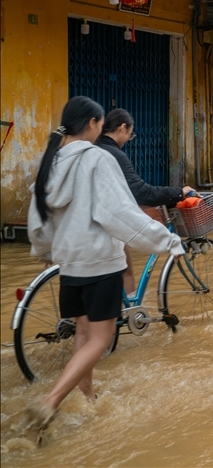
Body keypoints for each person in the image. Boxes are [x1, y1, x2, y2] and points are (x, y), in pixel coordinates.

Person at [22, 97, 184, 445]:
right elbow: (120, 213)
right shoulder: (97, 159)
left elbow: (39, 216)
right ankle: (50, 402)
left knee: (82, 333)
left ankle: (88, 398)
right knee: (100, 339)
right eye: (99, 124)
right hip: (100, 263)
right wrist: (167, 241)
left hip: (70, 266)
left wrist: (45, 250)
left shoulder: (51, 161)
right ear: (93, 124)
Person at [97, 108, 194, 297]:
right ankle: (127, 311)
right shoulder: (114, 154)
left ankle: (128, 308)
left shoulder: (94, 149)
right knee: (126, 271)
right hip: (107, 224)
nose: (128, 139)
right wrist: (178, 192)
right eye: (130, 134)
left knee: (124, 268)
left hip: (88, 226)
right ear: (122, 128)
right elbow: (140, 192)